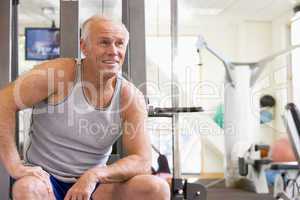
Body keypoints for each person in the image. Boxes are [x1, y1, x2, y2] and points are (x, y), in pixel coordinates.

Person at [0, 16, 170, 200]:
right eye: (104, 43)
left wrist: (95, 175)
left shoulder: (130, 97)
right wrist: (14, 165)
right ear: (84, 47)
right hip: (45, 180)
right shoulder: (58, 74)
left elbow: (142, 160)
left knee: (156, 188)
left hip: (95, 185)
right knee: (26, 188)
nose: (113, 51)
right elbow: (4, 102)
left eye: (119, 44)